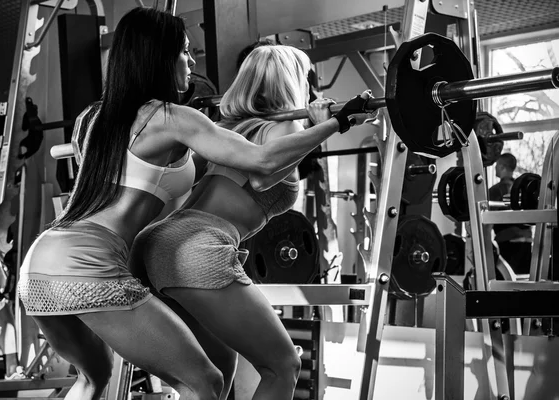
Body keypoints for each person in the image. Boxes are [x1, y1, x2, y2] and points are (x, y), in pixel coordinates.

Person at [16, 7, 373, 400]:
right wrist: (336, 123)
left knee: (94, 381)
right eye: (184, 52)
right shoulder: (173, 118)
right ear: (160, 58)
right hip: (92, 265)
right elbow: (262, 162)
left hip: (40, 262)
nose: (191, 62)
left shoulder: (93, 120)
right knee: (211, 380)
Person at [128, 44, 375, 400]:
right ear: (291, 83)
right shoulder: (284, 127)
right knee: (283, 365)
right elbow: (263, 176)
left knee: (216, 371)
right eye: (305, 78)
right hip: (200, 248)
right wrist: (333, 124)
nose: (309, 87)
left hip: (158, 246)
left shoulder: (232, 128)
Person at [489, 153, 533, 274]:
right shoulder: (523, 189)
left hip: (508, 244)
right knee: (525, 282)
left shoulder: (495, 190)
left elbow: (487, 220)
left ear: (503, 167)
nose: (495, 168)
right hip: (527, 243)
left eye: (497, 165)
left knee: (507, 284)